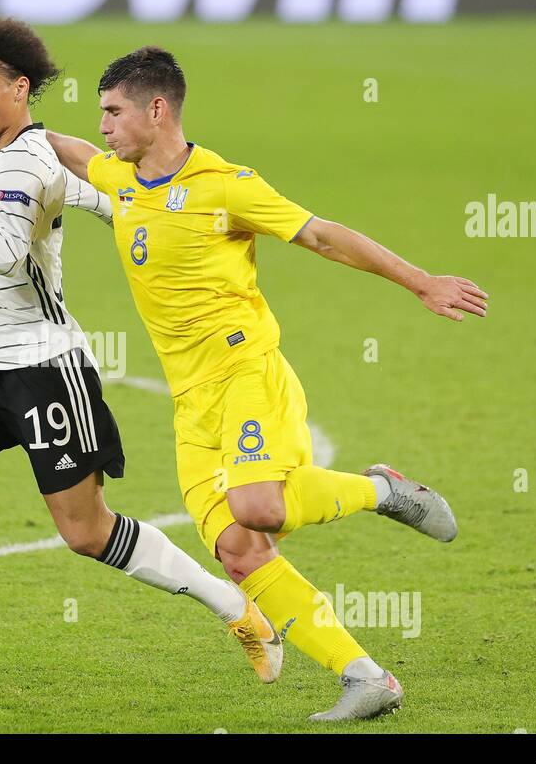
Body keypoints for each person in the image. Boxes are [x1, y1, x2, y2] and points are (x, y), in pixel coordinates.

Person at [46, 46, 489, 720]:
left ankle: (381, 488)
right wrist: (11, 118)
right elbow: (75, 153)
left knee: (258, 508)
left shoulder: (226, 185)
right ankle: (366, 676)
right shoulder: (122, 177)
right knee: (237, 548)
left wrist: (421, 281)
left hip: (246, 369)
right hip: (190, 401)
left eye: (114, 111)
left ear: (156, 109)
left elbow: (323, 236)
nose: (103, 125)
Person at [0, 17, 282, 685]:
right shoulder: (22, 157)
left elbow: (1, 254)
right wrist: (139, 205)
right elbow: (112, 200)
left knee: (87, 533)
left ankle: (237, 607)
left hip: (46, 372)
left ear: (20, 87)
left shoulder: (26, 160)